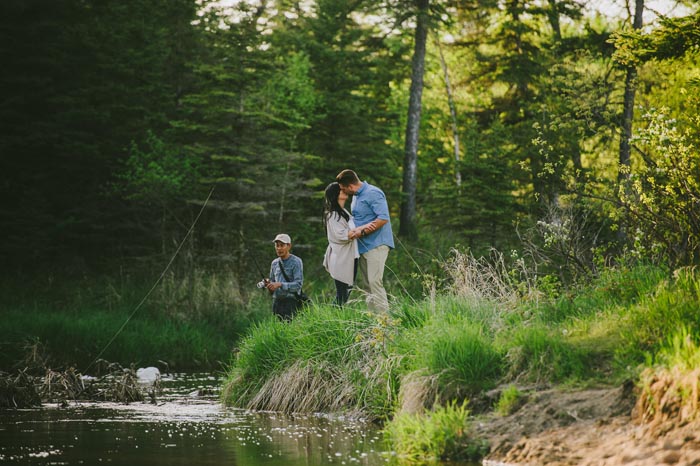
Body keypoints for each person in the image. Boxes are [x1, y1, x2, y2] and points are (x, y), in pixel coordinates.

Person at [335, 169, 394, 312]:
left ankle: (385, 323)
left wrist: (361, 231)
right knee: (367, 285)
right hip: (362, 246)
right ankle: (374, 324)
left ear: (350, 185)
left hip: (377, 244)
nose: (343, 192)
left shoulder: (373, 193)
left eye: (343, 189)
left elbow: (383, 218)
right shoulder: (356, 196)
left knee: (375, 282)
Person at [323, 182, 360, 306]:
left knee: (346, 293)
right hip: (341, 259)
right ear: (336, 194)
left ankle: (335, 317)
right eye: (341, 189)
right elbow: (342, 235)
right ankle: (331, 319)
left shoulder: (344, 212)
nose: (344, 190)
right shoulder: (332, 215)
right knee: (342, 295)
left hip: (350, 256)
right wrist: (365, 228)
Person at [264, 233, 305, 321]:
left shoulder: (296, 262)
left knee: (290, 330)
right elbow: (272, 281)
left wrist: (280, 284)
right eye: (277, 245)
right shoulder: (274, 263)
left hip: (290, 302)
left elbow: (298, 285)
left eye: (282, 245)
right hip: (276, 302)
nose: (279, 248)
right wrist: (269, 286)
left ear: (289, 246)